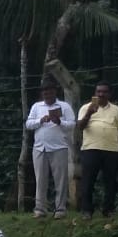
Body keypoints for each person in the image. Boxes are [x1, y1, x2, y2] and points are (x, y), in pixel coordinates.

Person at [25, 82, 76, 219]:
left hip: (59, 147)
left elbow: (72, 124)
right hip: (40, 147)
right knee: (40, 179)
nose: (47, 95)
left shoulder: (64, 107)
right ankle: (40, 209)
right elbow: (28, 124)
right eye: (45, 93)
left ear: (55, 92)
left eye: (50, 92)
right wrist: (41, 120)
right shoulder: (37, 106)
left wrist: (59, 122)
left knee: (60, 179)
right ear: (42, 94)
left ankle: (60, 209)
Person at [77, 82, 118, 219]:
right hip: (91, 149)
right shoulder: (86, 107)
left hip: (112, 150)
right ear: (95, 92)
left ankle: (108, 209)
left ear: (109, 94)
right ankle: (87, 210)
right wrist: (89, 113)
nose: (101, 94)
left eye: (104, 92)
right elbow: (80, 126)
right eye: (98, 91)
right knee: (88, 181)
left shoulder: (116, 109)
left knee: (110, 181)